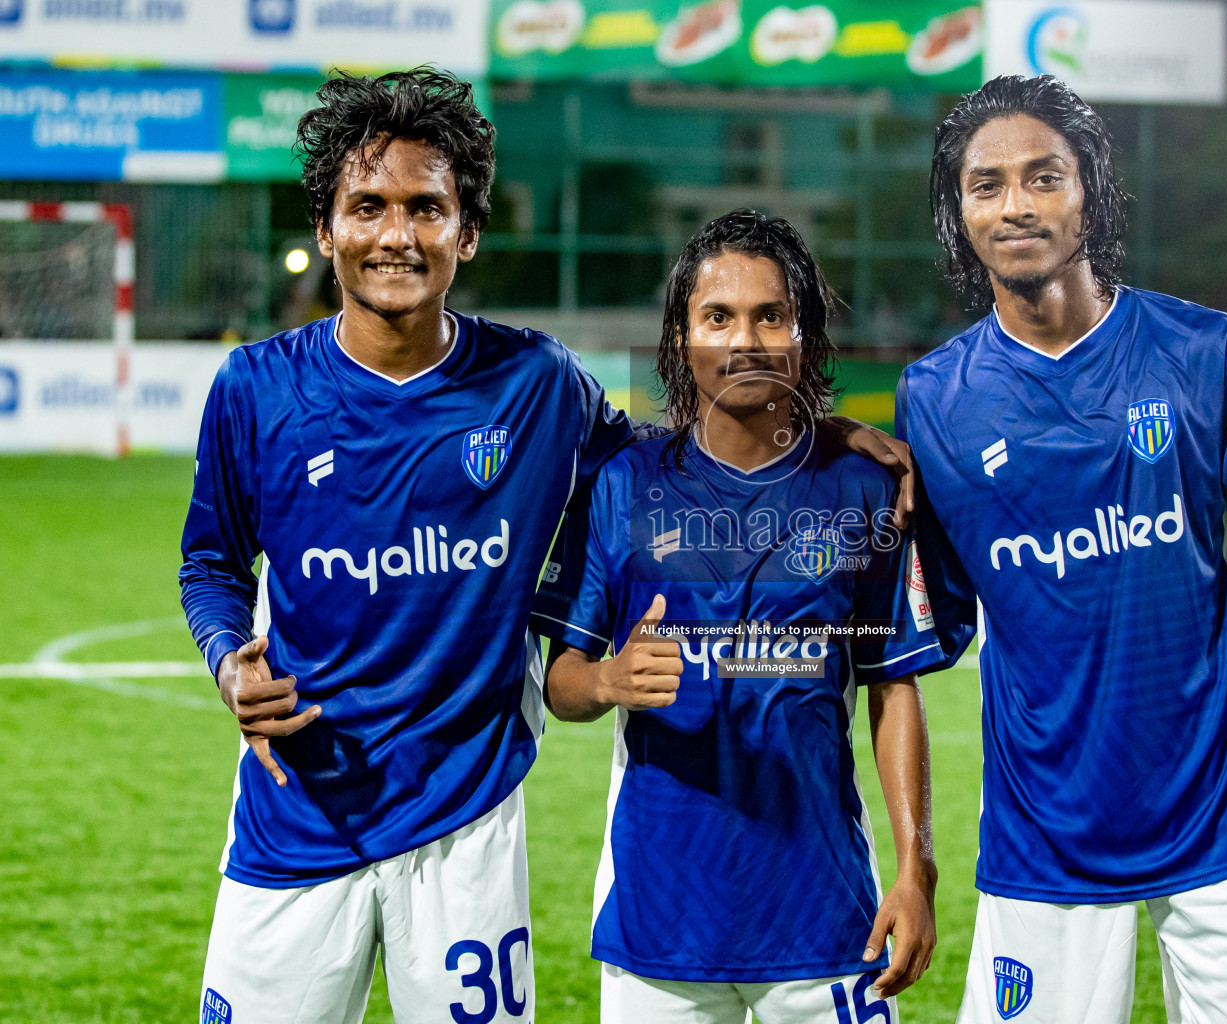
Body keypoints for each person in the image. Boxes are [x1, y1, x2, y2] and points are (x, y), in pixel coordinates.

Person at [179, 72, 910, 1024]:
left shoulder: (535, 383)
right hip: (295, 819)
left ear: (466, 231)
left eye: (426, 208)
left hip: (463, 819)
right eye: (367, 207)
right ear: (327, 229)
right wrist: (227, 663)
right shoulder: (255, 390)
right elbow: (211, 566)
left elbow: (670, 456)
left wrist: (818, 436)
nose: (396, 234)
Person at [897, 75, 1227, 1023]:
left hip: (1225, 823)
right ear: (957, 214)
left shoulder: (1209, 354)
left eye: (1044, 177)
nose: (1016, 205)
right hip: (1044, 838)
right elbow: (936, 626)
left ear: (1090, 190)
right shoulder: (934, 401)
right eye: (986, 186)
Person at [530, 210, 945, 1023]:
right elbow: (561, 683)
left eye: (771, 315)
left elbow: (894, 688)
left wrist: (916, 868)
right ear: (682, 338)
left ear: (805, 334)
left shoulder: (866, 490)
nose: (744, 339)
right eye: (718, 316)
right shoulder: (622, 486)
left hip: (829, 920)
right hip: (661, 927)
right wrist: (612, 679)